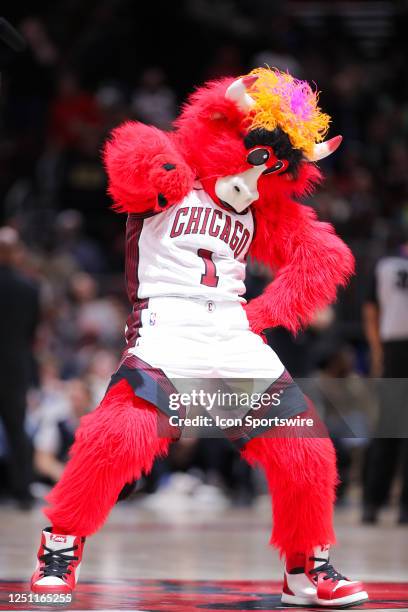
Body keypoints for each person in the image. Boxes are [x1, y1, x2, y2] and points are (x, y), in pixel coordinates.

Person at [31, 68, 368, 607]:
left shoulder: (263, 209)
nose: (258, 176)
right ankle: (60, 548)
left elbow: (325, 258)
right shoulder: (175, 174)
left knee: (308, 452)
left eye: (275, 168)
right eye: (258, 156)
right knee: (116, 438)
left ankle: (307, 570)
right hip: (168, 326)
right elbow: (129, 158)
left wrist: (265, 312)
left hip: (231, 331)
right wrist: (175, 150)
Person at [362, 227, 408, 524]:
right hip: (394, 349)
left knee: (388, 429)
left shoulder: (384, 265)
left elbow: (370, 312)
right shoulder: (387, 265)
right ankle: (389, 505)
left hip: (392, 349)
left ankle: (373, 504)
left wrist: (378, 351)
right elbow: (370, 311)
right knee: (390, 429)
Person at [0, 227, 40, 508]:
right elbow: (31, 332)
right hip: (15, 365)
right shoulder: (29, 287)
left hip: (14, 363)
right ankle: (23, 492)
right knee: (17, 428)